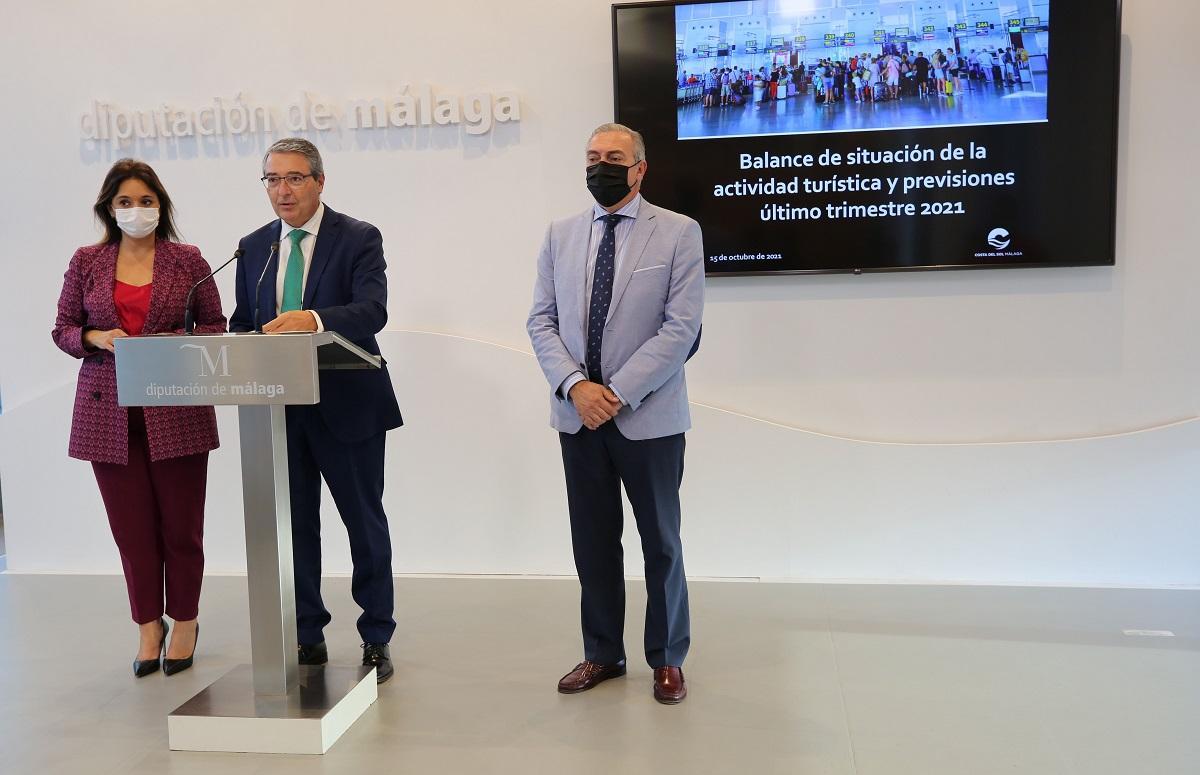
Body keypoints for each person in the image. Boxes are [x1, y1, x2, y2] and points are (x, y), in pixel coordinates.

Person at [527, 123, 704, 705]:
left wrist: (617, 392)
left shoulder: (678, 233)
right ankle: (602, 652)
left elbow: (681, 330)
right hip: (579, 418)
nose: (600, 166)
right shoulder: (560, 234)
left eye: (614, 158)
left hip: (647, 418)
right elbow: (542, 321)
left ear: (640, 169)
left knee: (661, 542)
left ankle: (667, 658)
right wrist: (577, 387)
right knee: (593, 542)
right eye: (592, 157)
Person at [228, 138, 403, 683]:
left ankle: (376, 635)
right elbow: (242, 321)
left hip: (348, 403)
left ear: (320, 181)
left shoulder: (358, 237)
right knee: (296, 525)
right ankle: (307, 632)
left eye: (294, 178)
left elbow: (372, 309)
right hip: (281, 408)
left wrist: (314, 319)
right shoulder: (252, 248)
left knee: (363, 523)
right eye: (272, 180)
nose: (282, 190)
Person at [52, 159, 225, 678]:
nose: (136, 211)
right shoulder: (86, 260)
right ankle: (148, 625)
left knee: (182, 528)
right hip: (107, 414)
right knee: (132, 532)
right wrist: (93, 338)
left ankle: (186, 621)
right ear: (109, 207)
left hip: (177, 409)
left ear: (161, 206)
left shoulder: (187, 259)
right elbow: (62, 327)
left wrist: (168, 344)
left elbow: (215, 326)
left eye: (146, 201)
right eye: (125, 202)